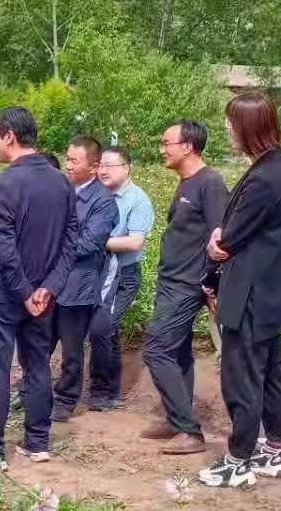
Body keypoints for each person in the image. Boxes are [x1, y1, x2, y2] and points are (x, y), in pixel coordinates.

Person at [199, 92, 281, 489]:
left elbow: (229, 239)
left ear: (250, 127)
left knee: (242, 376)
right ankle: (273, 449)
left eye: (232, 122)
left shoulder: (264, 177)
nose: (228, 129)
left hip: (250, 295)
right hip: (271, 293)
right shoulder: (279, 166)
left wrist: (218, 242)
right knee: (271, 371)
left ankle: (238, 459)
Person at [0, 106, 77, 469]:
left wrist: (24, 290)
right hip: (42, 298)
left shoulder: (7, 181)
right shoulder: (61, 181)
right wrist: (47, 288)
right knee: (37, 368)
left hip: (4, 294)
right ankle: (37, 442)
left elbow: (1, 241)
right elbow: (71, 240)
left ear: (9, 136)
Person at [142, 121, 229, 454]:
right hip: (170, 279)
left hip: (188, 284)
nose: (162, 149)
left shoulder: (210, 183)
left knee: (156, 349)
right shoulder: (186, 183)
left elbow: (219, 239)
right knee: (177, 353)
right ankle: (177, 417)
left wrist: (212, 284)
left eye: (167, 143)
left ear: (188, 146)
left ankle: (189, 432)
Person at [50, 136, 118, 422]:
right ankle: (34, 391)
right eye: (66, 158)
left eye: (74, 161)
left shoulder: (103, 202)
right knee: (39, 343)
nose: (67, 165)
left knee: (71, 348)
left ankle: (66, 399)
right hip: (48, 282)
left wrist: (49, 246)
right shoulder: (60, 190)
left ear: (94, 166)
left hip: (77, 285)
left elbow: (90, 243)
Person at [89, 145, 155, 410]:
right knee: (106, 330)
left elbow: (134, 242)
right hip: (98, 272)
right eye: (100, 165)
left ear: (126, 168)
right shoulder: (96, 194)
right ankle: (109, 390)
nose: (102, 170)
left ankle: (102, 389)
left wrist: (94, 241)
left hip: (123, 277)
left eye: (109, 165)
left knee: (101, 328)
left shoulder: (138, 200)